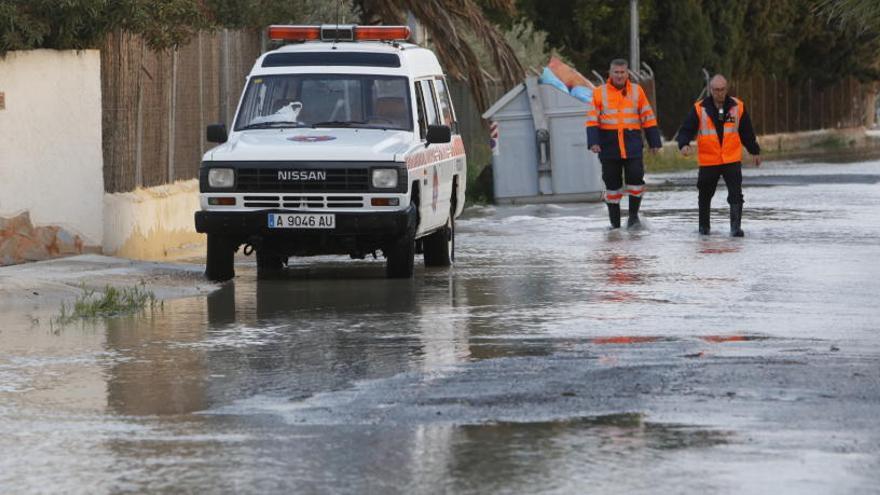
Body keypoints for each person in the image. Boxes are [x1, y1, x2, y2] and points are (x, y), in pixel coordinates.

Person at [677, 74, 761, 236]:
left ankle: (735, 228)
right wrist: (684, 144)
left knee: (736, 194)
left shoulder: (738, 107)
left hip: (731, 159)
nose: (719, 93)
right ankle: (704, 227)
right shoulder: (699, 108)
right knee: (705, 194)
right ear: (710, 90)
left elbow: (747, 132)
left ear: (727, 89)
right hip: (709, 160)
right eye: (716, 90)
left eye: (722, 90)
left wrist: (754, 151)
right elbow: (686, 130)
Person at [586, 59, 662, 229]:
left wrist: (654, 142)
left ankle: (633, 217)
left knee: (636, 179)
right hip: (608, 145)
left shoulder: (637, 91)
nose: (619, 75)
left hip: (632, 143)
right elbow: (592, 120)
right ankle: (615, 225)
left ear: (627, 73)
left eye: (622, 72)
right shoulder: (599, 93)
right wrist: (593, 142)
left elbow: (648, 117)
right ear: (610, 73)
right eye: (616, 72)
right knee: (612, 185)